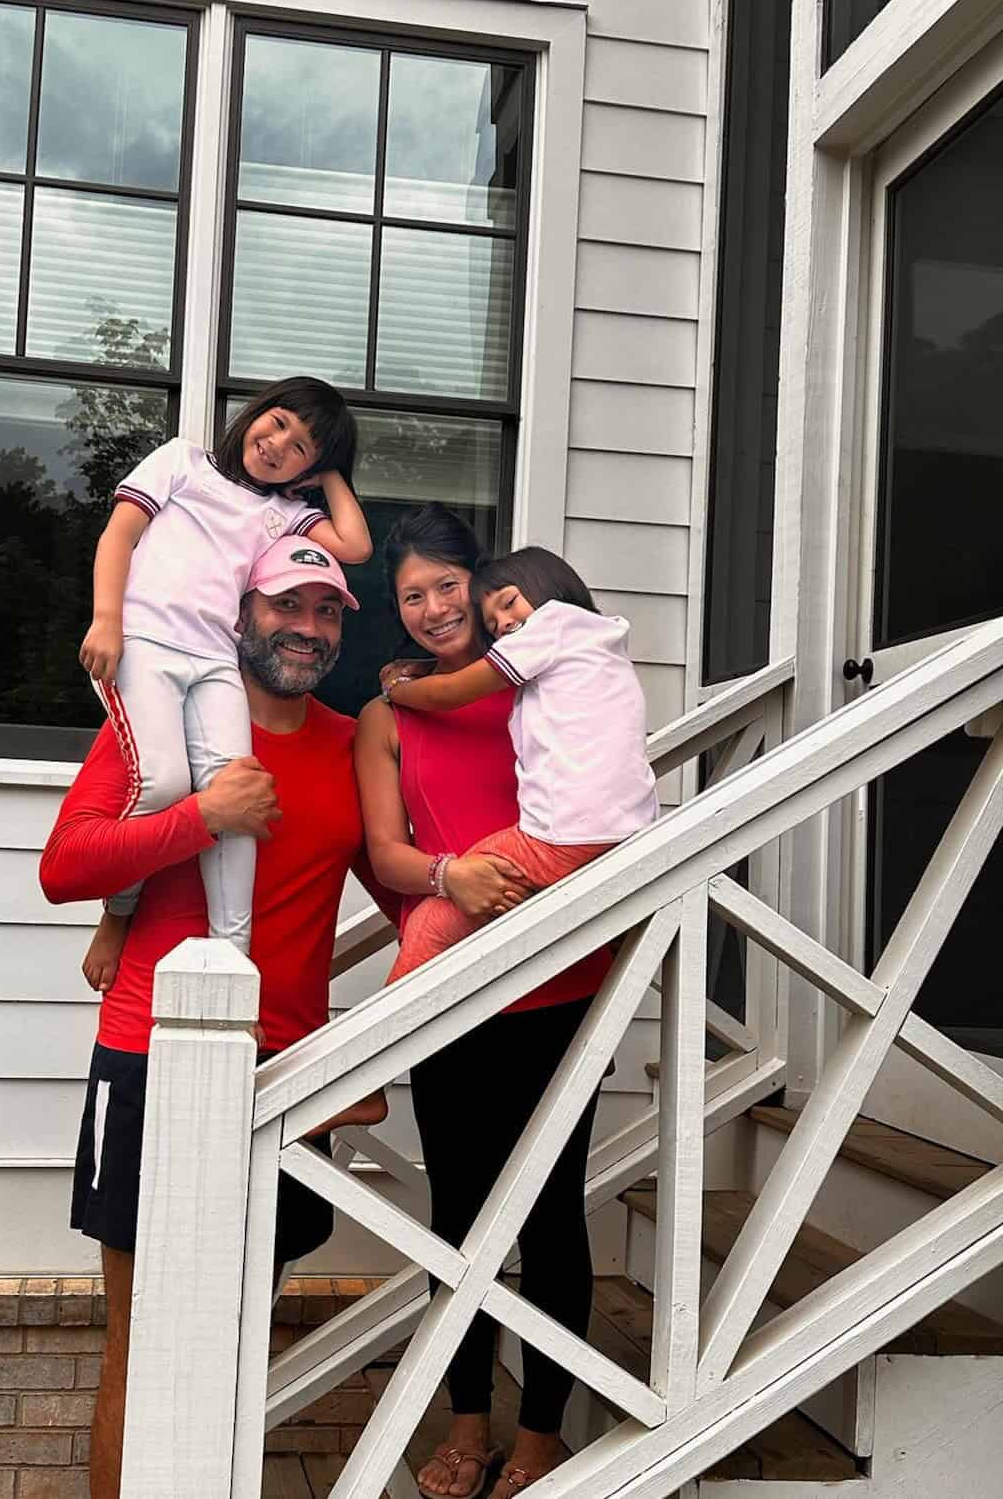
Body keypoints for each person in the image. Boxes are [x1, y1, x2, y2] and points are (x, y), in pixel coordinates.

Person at [41, 537, 393, 1499]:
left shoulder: (345, 743)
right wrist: (205, 813)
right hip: (148, 1053)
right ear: (239, 612)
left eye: (327, 612)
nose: (307, 628)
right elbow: (64, 868)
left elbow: (398, 891)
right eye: (287, 605)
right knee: (143, 1342)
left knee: (237, 1339)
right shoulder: (155, 724)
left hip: (283, 1070)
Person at [355, 507, 619, 1498]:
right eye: (410, 595)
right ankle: (468, 1426)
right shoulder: (389, 714)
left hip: (563, 982)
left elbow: (600, 795)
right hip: (455, 992)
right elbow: (385, 854)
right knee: (457, 1214)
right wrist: (447, 877)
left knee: (551, 1214)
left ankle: (543, 1435)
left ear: (483, 581)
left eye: (445, 587)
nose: (430, 608)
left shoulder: (545, 670)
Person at [77, 377, 373, 992]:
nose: (279, 443)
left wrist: (332, 475)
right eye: (281, 421)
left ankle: (233, 964)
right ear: (259, 411)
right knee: (164, 784)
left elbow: (355, 545)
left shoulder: (285, 512)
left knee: (239, 797)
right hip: (147, 649)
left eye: (303, 447)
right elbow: (119, 537)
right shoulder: (180, 460)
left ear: (311, 467)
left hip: (215, 660)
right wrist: (107, 620)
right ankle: (119, 913)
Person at [382, 545, 657, 984]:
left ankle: (384, 1041)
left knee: (430, 925)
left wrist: (398, 687)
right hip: (628, 835)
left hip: (561, 836)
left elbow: (447, 693)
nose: (506, 624)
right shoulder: (599, 645)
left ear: (549, 589)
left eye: (509, 604)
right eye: (493, 624)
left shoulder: (552, 625)